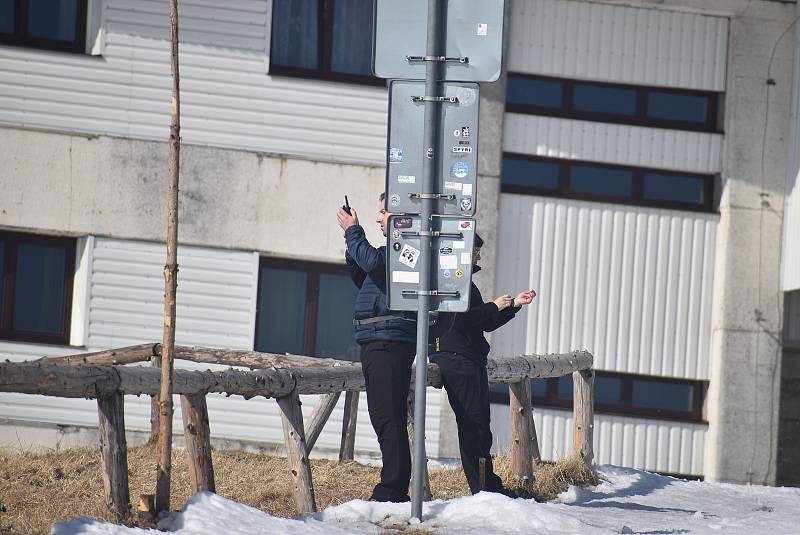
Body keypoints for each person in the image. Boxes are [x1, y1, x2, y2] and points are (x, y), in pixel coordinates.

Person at [430, 234, 536, 496]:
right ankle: (483, 490)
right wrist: (493, 305)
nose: (479, 256)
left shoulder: (466, 283)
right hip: (456, 359)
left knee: (480, 428)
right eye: (476, 251)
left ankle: (488, 487)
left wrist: (512, 307)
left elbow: (484, 323)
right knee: (473, 427)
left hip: (469, 359)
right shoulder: (451, 280)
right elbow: (461, 320)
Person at [336, 193, 416, 503]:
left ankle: (392, 488)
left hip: (388, 341)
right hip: (381, 339)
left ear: (402, 218)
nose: (378, 218)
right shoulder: (391, 253)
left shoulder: (408, 249)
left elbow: (372, 262)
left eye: (383, 212)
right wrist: (350, 248)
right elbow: (366, 276)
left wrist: (353, 232)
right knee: (387, 416)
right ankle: (394, 486)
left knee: (387, 417)